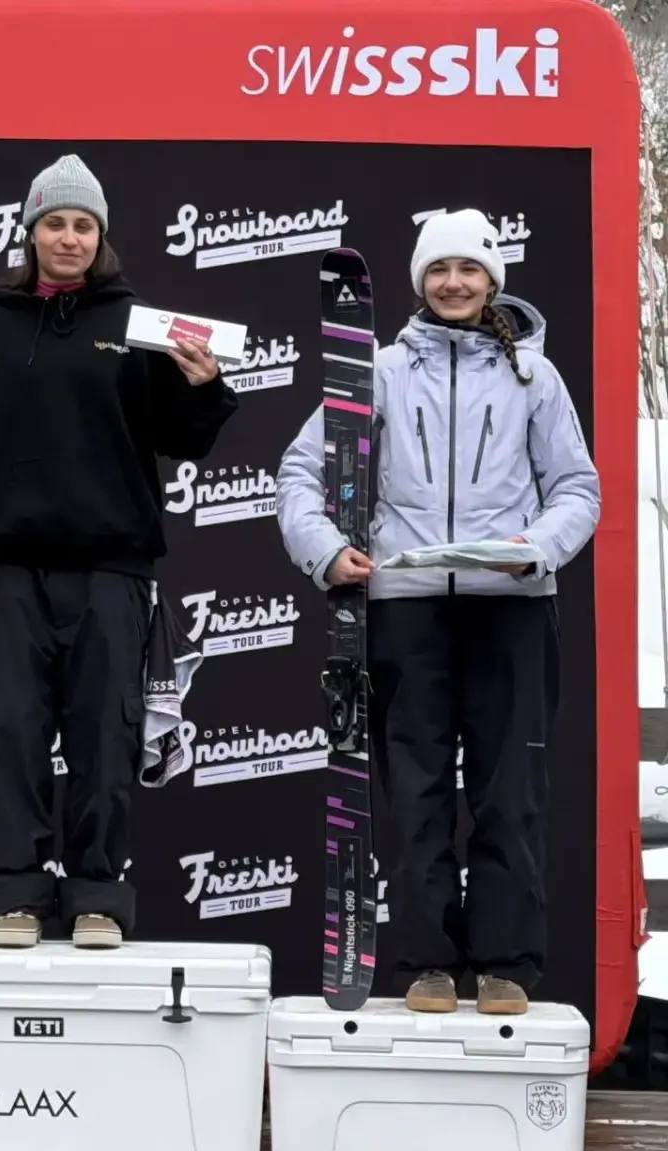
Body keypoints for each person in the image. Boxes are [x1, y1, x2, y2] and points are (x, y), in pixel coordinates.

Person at [276, 209, 600, 1015]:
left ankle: (505, 965)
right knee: (414, 791)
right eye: (440, 270)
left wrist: (538, 548)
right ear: (421, 281)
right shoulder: (380, 371)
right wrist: (324, 550)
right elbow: (300, 472)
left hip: (511, 608)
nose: (454, 283)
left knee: (510, 790)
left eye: (469, 269)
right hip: (406, 608)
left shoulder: (534, 377)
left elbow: (577, 489)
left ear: (492, 280)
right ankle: (425, 961)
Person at [0, 154, 238, 950]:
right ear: (30, 232)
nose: (69, 238)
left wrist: (204, 386)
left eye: (84, 226)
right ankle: (16, 894)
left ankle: (98, 895)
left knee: (105, 733)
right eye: (56, 223)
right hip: (8, 568)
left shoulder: (139, 326)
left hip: (111, 567)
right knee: (9, 730)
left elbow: (182, 438)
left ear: (102, 238)